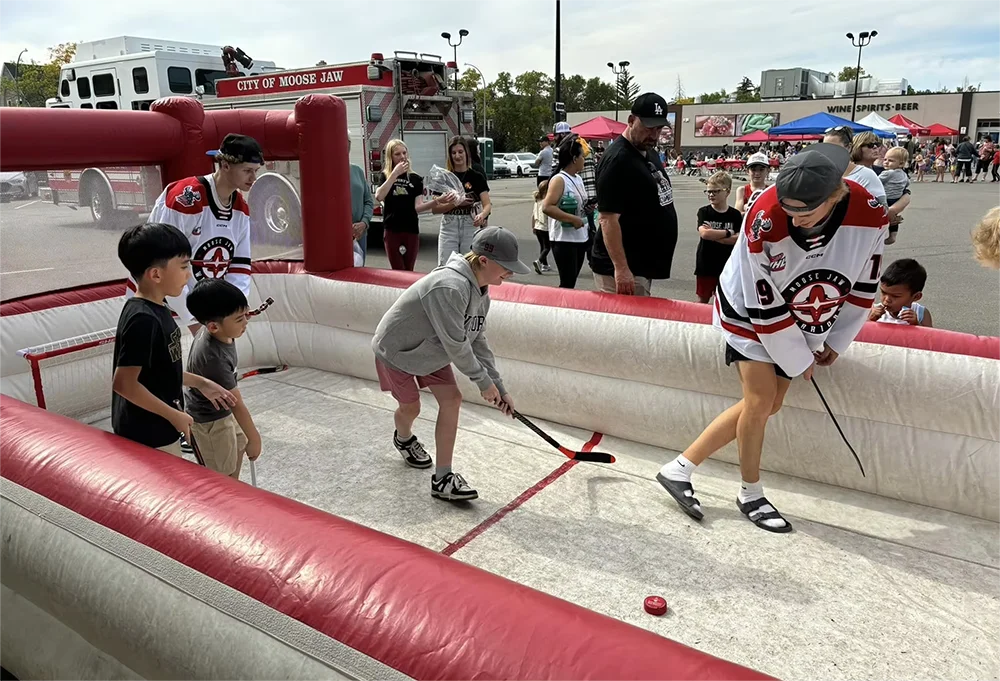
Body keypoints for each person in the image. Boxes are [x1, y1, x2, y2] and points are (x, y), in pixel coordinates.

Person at [657, 144, 888, 533]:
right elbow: (760, 301)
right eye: (789, 209)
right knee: (761, 400)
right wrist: (804, 356)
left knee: (768, 404)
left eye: (806, 212)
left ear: (835, 196)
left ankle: (679, 468)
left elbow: (864, 282)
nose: (795, 220)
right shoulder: (764, 214)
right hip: (748, 308)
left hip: (802, 306)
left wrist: (832, 340)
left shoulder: (871, 213)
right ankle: (751, 493)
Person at [371, 227, 529, 501]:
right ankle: (404, 438)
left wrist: (499, 388)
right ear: (483, 261)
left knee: (452, 399)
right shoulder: (449, 287)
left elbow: (477, 340)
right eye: (506, 267)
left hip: (433, 350)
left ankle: (442, 477)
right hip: (398, 352)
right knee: (411, 408)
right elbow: (457, 345)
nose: (511, 273)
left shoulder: (481, 292)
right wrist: (483, 383)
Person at [112, 223, 236, 456]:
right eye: (183, 266)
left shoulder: (159, 306)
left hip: (161, 426)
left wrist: (201, 383)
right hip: (147, 434)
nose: (188, 274)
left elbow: (159, 371)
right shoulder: (142, 318)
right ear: (156, 274)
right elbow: (124, 384)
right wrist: (174, 415)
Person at [133, 133, 261, 336]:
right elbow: (162, 265)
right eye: (247, 171)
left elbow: (239, 265)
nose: (253, 178)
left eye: (256, 171)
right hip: (158, 304)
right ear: (225, 165)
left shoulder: (240, 208)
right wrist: (193, 319)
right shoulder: (185, 198)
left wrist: (235, 308)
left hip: (204, 313)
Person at [590, 92, 678, 296]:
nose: (654, 135)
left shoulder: (647, 150)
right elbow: (608, 219)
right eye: (648, 128)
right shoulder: (618, 160)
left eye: (659, 128)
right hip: (622, 270)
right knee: (622, 325)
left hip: (641, 265)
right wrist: (621, 269)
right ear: (631, 120)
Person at [183, 279, 262, 479]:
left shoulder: (220, 331)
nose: (245, 322)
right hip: (210, 422)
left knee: (238, 448)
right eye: (239, 319)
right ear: (213, 327)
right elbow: (236, 404)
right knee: (221, 475)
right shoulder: (213, 358)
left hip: (222, 413)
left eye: (246, 314)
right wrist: (255, 438)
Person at [375, 139, 448, 271]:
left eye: (404, 153)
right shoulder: (386, 176)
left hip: (411, 229)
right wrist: (394, 174)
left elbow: (418, 206)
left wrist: (437, 201)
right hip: (392, 228)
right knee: (398, 270)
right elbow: (379, 196)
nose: (402, 157)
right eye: (397, 154)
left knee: (409, 270)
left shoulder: (415, 178)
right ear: (390, 157)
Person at [432, 136, 491, 266]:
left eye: (460, 152)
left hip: (470, 224)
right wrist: (455, 203)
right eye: (453, 153)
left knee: (470, 266)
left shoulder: (476, 176)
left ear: (466, 153)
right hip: (449, 226)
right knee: (446, 266)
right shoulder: (444, 178)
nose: (457, 156)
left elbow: (487, 204)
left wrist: (482, 215)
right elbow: (435, 208)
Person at [542, 136, 590, 288]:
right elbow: (547, 207)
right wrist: (572, 219)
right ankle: (560, 309)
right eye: (582, 156)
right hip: (564, 239)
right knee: (567, 282)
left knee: (573, 280)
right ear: (575, 159)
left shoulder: (578, 179)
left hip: (581, 237)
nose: (584, 160)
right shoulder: (559, 179)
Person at [694, 171, 741, 304]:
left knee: (724, 300)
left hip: (727, 265)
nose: (711, 194)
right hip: (706, 264)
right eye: (708, 191)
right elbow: (705, 234)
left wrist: (715, 235)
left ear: (727, 192)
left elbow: (738, 239)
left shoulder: (735, 215)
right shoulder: (704, 212)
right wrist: (728, 232)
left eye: (715, 191)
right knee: (702, 299)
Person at [868, 258, 933, 327]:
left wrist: (916, 325)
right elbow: (860, 334)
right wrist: (871, 320)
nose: (887, 299)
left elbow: (930, 337)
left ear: (916, 296)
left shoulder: (920, 313)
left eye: (895, 296)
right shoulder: (872, 311)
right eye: (883, 292)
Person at [349, 137, 375, 265]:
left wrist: (364, 223)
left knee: (359, 272)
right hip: (337, 237)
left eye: (347, 142)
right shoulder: (326, 172)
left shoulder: (357, 171)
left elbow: (368, 202)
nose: (345, 145)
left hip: (360, 235)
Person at [878, 147, 913, 245]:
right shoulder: (904, 174)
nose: (886, 162)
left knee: (883, 215)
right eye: (885, 159)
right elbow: (907, 184)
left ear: (901, 164)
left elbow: (876, 181)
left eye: (890, 160)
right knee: (894, 217)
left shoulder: (887, 173)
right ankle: (893, 235)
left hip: (886, 198)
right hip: (897, 199)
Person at [531, 179, 552, 274]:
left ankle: (545, 265)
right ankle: (539, 261)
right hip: (545, 227)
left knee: (542, 246)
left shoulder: (537, 201)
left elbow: (533, 215)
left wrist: (533, 226)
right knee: (547, 247)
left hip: (537, 226)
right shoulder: (546, 202)